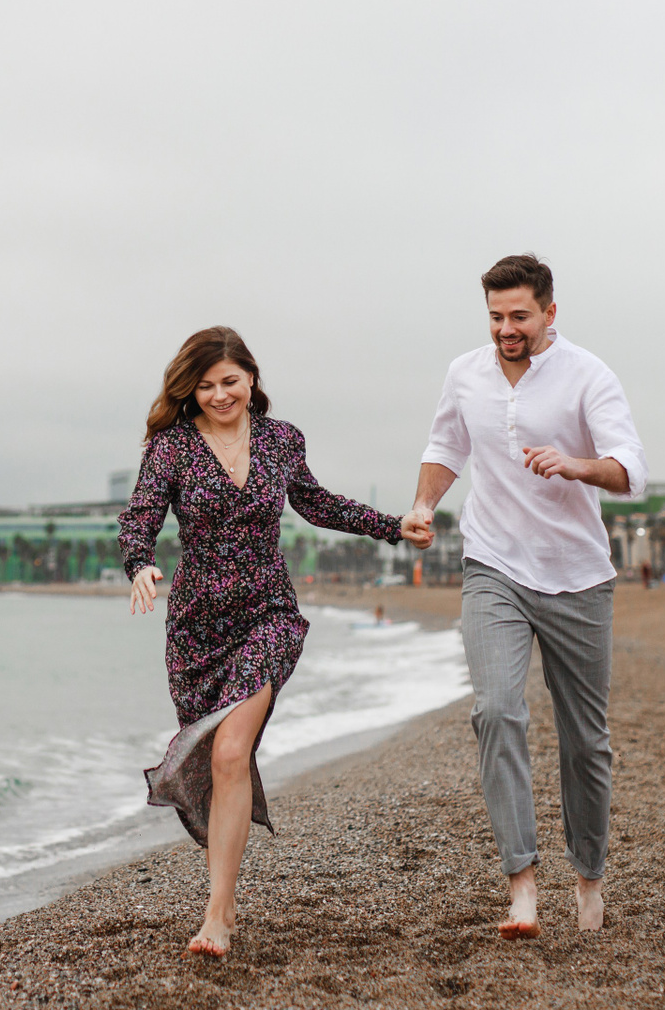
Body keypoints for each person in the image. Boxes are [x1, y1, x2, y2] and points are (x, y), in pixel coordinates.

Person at [118, 326, 427, 957]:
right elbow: (140, 516)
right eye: (205, 386)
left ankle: (215, 915)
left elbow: (317, 503)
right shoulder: (171, 447)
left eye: (229, 381)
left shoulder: (282, 439)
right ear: (190, 389)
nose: (219, 395)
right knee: (217, 759)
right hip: (197, 627)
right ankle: (226, 900)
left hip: (268, 613)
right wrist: (140, 563)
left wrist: (393, 526)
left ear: (251, 378)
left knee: (233, 750)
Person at [400, 254, 646, 939]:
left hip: (578, 576)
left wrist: (576, 465)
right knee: (496, 711)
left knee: (585, 742)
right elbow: (445, 447)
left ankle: (588, 879)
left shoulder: (587, 375)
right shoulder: (465, 373)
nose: (507, 329)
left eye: (520, 316)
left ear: (549, 312)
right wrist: (423, 505)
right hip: (494, 566)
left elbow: (632, 469)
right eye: (496, 317)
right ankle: (523, 887)